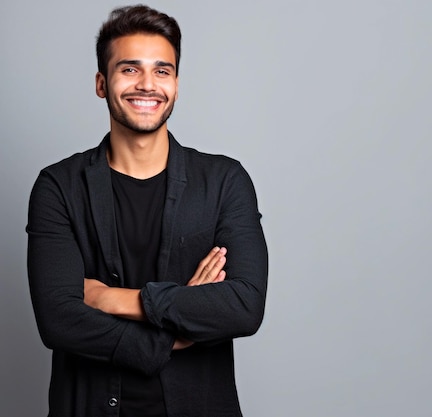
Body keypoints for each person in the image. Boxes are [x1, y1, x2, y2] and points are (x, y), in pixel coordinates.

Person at [26, 5, 268, 416]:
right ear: (102, 83)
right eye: (130, 69)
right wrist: (174, 333)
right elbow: (58, 319)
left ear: (176, 83)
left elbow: (244, 306)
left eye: (162, 71)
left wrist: (112, 299)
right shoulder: (59, 186)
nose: (147, 85)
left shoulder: (225, 181)